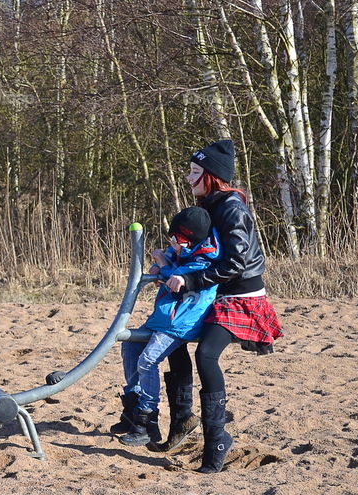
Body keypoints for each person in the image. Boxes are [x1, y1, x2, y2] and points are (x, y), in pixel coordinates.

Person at [161, 139, 283, 473]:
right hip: (214, 293)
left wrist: (192, 282)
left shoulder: (231, 207)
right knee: (174, 337)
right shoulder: (210, 205)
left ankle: (217, 441)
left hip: (239, 298)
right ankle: (183, 421)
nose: (188, 178)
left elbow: (235, 262)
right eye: (190, 171)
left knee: (206, 355)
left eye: (195, 172)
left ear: (212, 176)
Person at [117, 207, 221, 450]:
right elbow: (171, 268)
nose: (172, 244)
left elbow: (178, 281)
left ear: (190, 240)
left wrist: (163, 265)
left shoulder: (203, 260)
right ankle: (133, 407)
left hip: (180, 324)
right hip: (163, 319)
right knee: (130, 346)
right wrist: (163, 264)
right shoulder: (182, 254)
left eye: (177, 240)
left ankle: (147, 416)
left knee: (147, 361)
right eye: (171, 239)